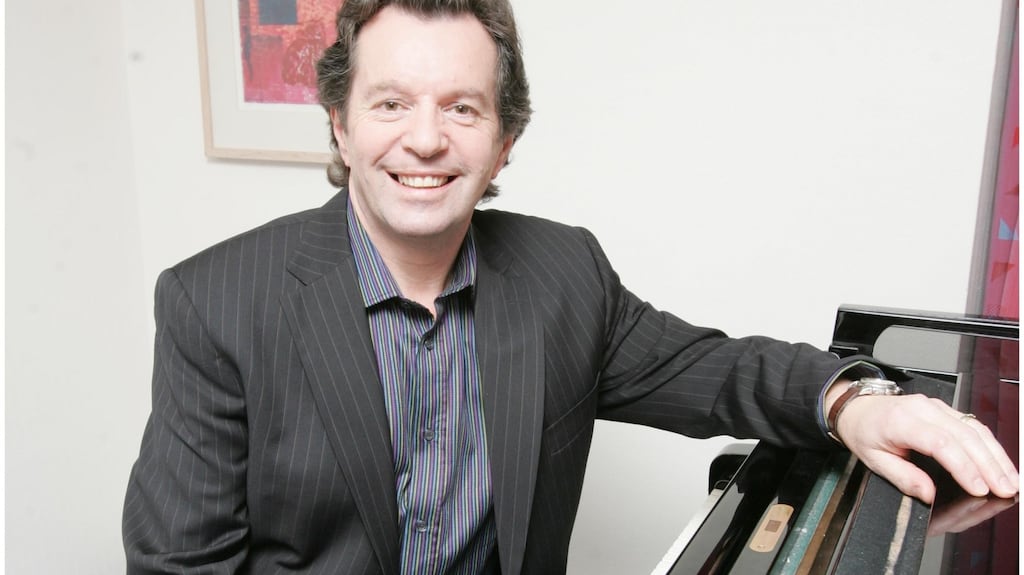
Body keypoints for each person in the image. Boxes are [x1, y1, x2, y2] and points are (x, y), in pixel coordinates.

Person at [122, 1, 1019, 573]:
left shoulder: (562, 274)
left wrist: (853, 400)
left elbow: (717, 370)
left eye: (462, 108)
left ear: (504, 140)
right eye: (391, 104)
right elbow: (178, 567)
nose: (426, 141)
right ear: (341, 126)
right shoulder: (216, 302)